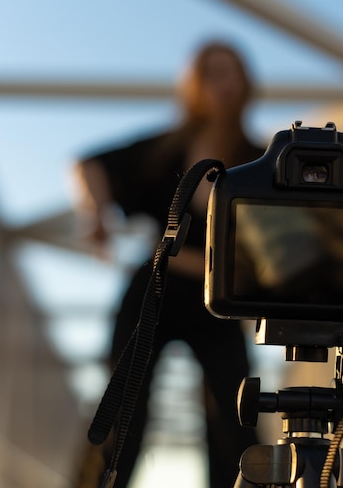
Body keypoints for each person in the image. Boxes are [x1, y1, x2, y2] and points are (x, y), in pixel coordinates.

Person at [72, 40, 265, 488]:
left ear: (246, 83)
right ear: (194, 85)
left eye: (230, 72)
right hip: (153, 298)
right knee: (123, 419)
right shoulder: (163, 149)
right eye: (211, 73)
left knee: (236, 426)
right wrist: (94, 211)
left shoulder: (259, 159)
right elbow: (89, 165)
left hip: (219, 308)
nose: (222, 83)